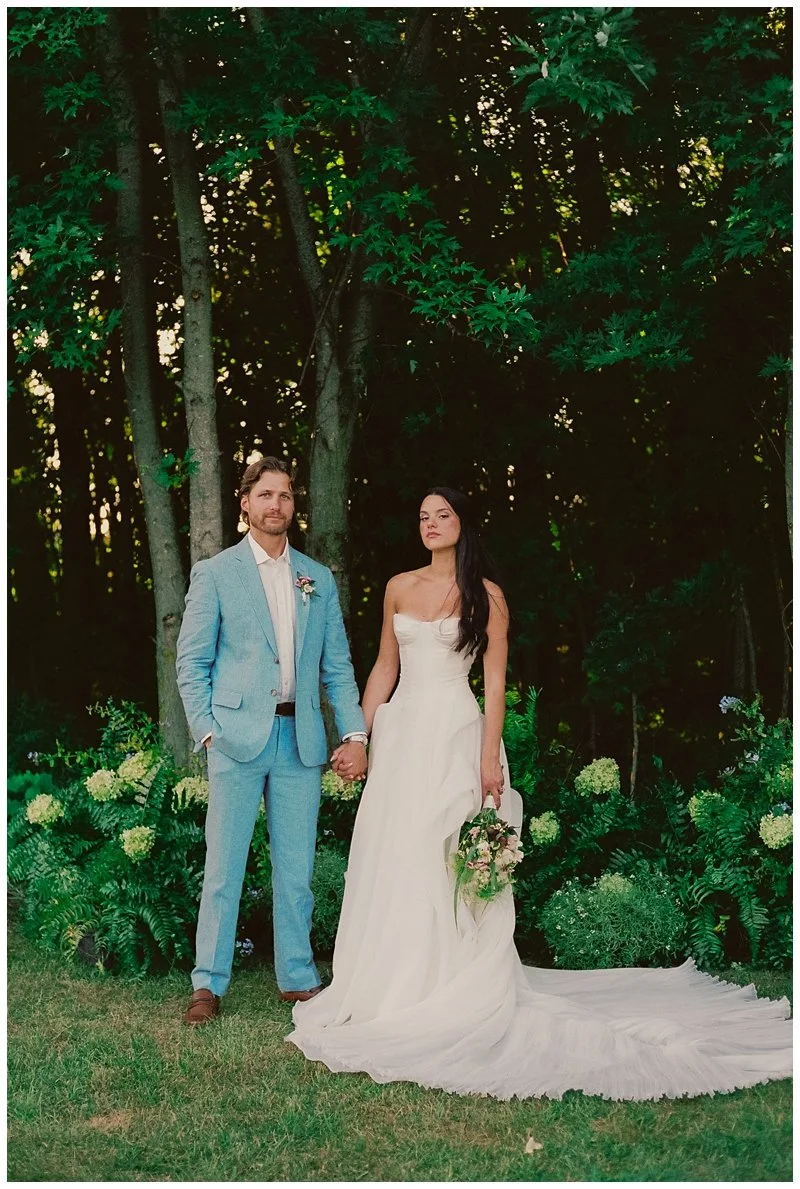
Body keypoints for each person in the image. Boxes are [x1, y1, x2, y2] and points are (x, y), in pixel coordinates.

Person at [287, 487, 792, 1101]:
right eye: (422, 516)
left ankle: (447, 986)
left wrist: (487, 758)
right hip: (400, 737)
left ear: (463, 523)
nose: (430, 524)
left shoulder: (489, 598)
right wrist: (360, 735)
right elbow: (384, 668)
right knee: (394, 856)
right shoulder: (398, 585)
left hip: (454, 733)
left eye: (441, 514)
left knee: (445, 856)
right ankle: (390, 987)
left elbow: (494, 684)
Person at [176, 457, 368, 1025]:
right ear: (245, 503)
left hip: (300, 740)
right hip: (235, 739)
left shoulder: (318, 579)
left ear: (293, 505)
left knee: (296, 868)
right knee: (223, 866)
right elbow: (192, 663)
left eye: (285, 495)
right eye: (265, 494)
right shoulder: (216, 573)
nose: (275, 505)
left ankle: (298, 977)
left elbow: (338, 667)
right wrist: (208, 731)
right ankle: (207, 983)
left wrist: (354, 732)